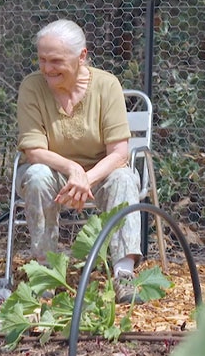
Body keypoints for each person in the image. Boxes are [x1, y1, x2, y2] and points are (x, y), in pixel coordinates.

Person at [15, 19, 143, 304]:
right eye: (42, 59)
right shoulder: (32, 87)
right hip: (53, 171)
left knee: (123, 177)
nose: (47, 69)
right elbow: (34, 150)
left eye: (56, 60)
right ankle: (45, 272)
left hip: (101, 171)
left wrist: (87, 177)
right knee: (35, 175)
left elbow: (120, 153)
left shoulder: (107, 85)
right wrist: (74, 170)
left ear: (82, 56)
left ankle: (124, 274)